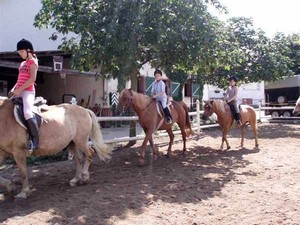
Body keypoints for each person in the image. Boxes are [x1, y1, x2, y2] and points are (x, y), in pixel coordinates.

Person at [10, 39, 39, 152]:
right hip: (19, 90)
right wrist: (13, 90)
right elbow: (19, 80)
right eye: (19, 52)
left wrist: (20, 90)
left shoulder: (33, 62)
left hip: (28, 91)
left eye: (21, 51)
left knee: (27, 112)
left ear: (29, 51)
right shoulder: (22, 64)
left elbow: (32, 79)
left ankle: (35, 140)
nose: (20, 54)